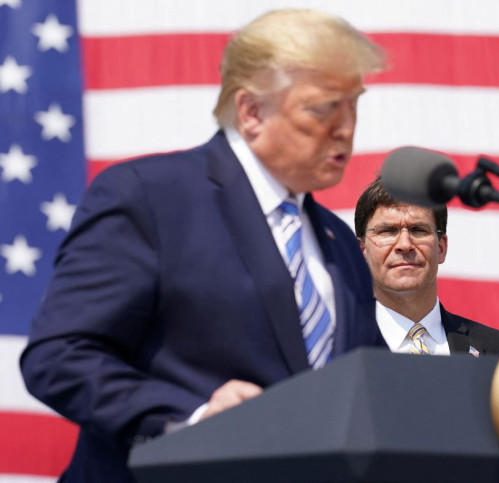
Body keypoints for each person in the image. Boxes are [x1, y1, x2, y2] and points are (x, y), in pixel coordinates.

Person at [20, 9, 387, 482]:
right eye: (323, 108)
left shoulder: (338, 242)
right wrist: (192, 418)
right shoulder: (150, 198)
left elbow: (364, 388)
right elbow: (59, 355)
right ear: (252, 112)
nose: (345, 128)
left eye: (353, 105)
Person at [355, 177, 499, 356]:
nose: (405, 244)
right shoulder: (334, 350)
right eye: (388, 231)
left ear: (441, 248)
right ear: (362, 250)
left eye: (418, 230)